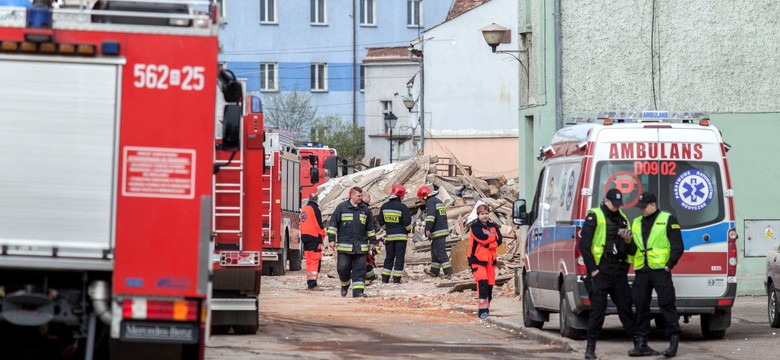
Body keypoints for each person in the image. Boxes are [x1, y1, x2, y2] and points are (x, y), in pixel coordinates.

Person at [578, 189, 659, 359]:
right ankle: (590, 348)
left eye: (618, 205)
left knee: (626, 308)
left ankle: (639, 344)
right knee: (598, 311)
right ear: (606, 201)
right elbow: (584, 245)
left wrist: (628, 241)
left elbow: (631, 249)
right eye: (613, 204)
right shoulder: (595, 215)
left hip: (618, 270)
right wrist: (593, 270)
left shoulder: (623, 219)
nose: (616, 207)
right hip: (601, 270)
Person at [630, 192, 684, 358]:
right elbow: (633, 247)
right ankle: (641, 344)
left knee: (666, 305)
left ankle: (673, 343)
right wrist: (626, 242)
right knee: (640, 306)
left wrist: (669, 265)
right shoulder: (636, 222)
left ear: (653, 205)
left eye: (644, 207)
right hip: (642, 270)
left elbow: (678, 246)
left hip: (660, 270)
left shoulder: (668, 219)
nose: (641, 210)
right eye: (640, 207)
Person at [328, 186, 377, 298]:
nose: (360, 198)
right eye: (359, 196)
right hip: (345, 247)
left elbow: (370, 228)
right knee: (342, 268)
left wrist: (373, 242)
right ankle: (345, 284)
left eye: (361, 196)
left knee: (360, 270)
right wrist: (331, 239)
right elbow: (333, 224)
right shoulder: (341, 208)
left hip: (361, 247)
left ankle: (358, 292)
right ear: (352, 195)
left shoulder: (365, 210)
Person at [468, 204, 502, 319]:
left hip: (490, 260)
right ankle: (482, 311)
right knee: (482, 283)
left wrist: (489, 243)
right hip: (477, 260)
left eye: (486, 213)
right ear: (478, 215)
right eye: (482, 214)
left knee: (489, 286)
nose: (484, 216)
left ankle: (486, 309)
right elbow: (481, 238)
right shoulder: (475, 226)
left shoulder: (493, 226)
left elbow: (500, 240)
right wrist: (493, 238)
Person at [378, 185, 413, 284]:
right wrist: (407, 230)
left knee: (389, 257)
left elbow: (381, 222)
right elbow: (407, 223)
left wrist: (388, 229)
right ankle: (396, 279)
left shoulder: (384, 206)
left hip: (390, 236)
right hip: (401, 237)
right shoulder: (402, 207)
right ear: (400, 195)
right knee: (399, 257)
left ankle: (385, 278)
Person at [418, 186, 452, 280]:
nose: (422, 200)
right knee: (434, 251)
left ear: (424, 196)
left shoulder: (430, 202)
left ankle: (448, 272)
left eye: (421, 198)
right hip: (441, 229)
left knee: (440, 252)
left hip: (437, 231)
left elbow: (431, 216)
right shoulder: (438, 201)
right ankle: (434, 271)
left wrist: (428, 229)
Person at [300, 193, 327, 291]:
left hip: (305, 238)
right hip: (314, 238)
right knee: (315, 261)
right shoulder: (315, 209)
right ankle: (312, 284)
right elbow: (319, 225)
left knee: (309, 261)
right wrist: (323, 235)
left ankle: (310, 282)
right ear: (317, 199)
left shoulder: (304, 209)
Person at [360, 192, 380, 284]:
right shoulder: (364, 209)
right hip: (364, 238)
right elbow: (371, 225)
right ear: (363, 197)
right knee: (366, 258)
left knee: (367, 257)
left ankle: (368, 276)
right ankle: (368, 276)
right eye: (368, 196)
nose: (370, 198)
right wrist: (373, 239)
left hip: (363, 238)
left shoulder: (364, 208)